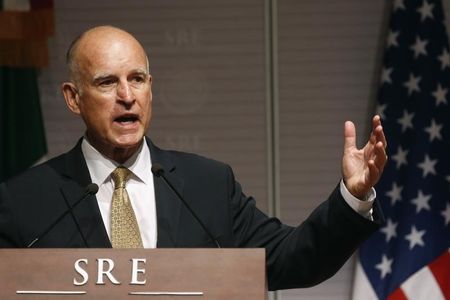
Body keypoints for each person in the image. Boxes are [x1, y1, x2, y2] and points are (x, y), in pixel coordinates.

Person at [0, 26, 387, 290]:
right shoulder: (24, 203)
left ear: (151, 89)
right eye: (106, 82)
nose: (126, 95)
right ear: (73, 98)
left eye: (136, 79)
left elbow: (293, 259)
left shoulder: (207, 186)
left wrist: (352, 197)